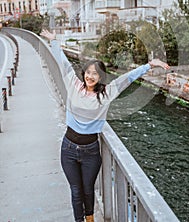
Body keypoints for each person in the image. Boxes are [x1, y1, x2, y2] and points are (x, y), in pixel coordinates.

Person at [40, 29, 170, 222]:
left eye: (96, 74)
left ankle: (90, 218)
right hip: (68, 148)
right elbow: (63, 62)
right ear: (84, 73)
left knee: (87, 190)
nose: (91, 76)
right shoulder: (73, 84)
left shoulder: (106, 94)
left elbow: (128, 78)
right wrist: (54, 41)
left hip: (91, 151)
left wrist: (150, 65)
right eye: (88, 72)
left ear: (101, 77)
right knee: (76, 191)